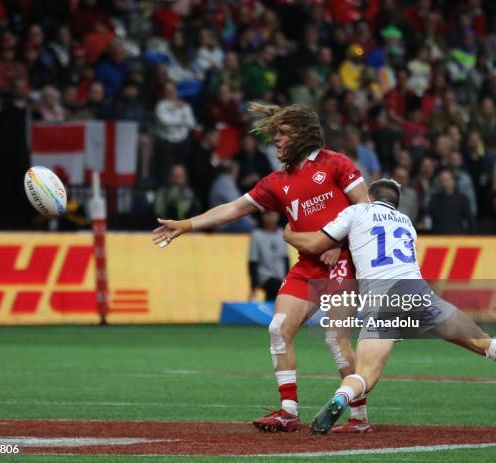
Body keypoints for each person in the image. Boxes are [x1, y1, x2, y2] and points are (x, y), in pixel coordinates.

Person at [151, 103, 370, 433]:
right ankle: (288, 411)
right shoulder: (276, 182)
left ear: (300, 133)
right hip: (308, 265)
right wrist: (188, 224)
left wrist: (337, 242)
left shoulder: (336, 163)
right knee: (278, 329)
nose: (277, 141)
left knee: (334, 339)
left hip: (343, 261)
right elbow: (233, 209)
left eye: (281, 134)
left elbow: (366, 210)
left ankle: (359, 418)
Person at [282, 179, 496, 435]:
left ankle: (341, 396)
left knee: (365, 374)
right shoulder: (406, 223)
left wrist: (291, 234)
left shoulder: (356, 212)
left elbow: (318, 243)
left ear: (368, 196)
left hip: (382, 299)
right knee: (483, 342)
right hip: (418, 292)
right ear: (396, 203)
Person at [249, 211, 289, 301]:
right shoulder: (256, 235)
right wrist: (253, 286)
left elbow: (286, 259)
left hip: (280, 276)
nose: (271, 218)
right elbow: (253, 262)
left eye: (273, 214)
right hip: (264, 276)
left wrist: (288, 280)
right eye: (267, 214)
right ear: (262, 216)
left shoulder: (282, 234)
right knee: (275, 287)